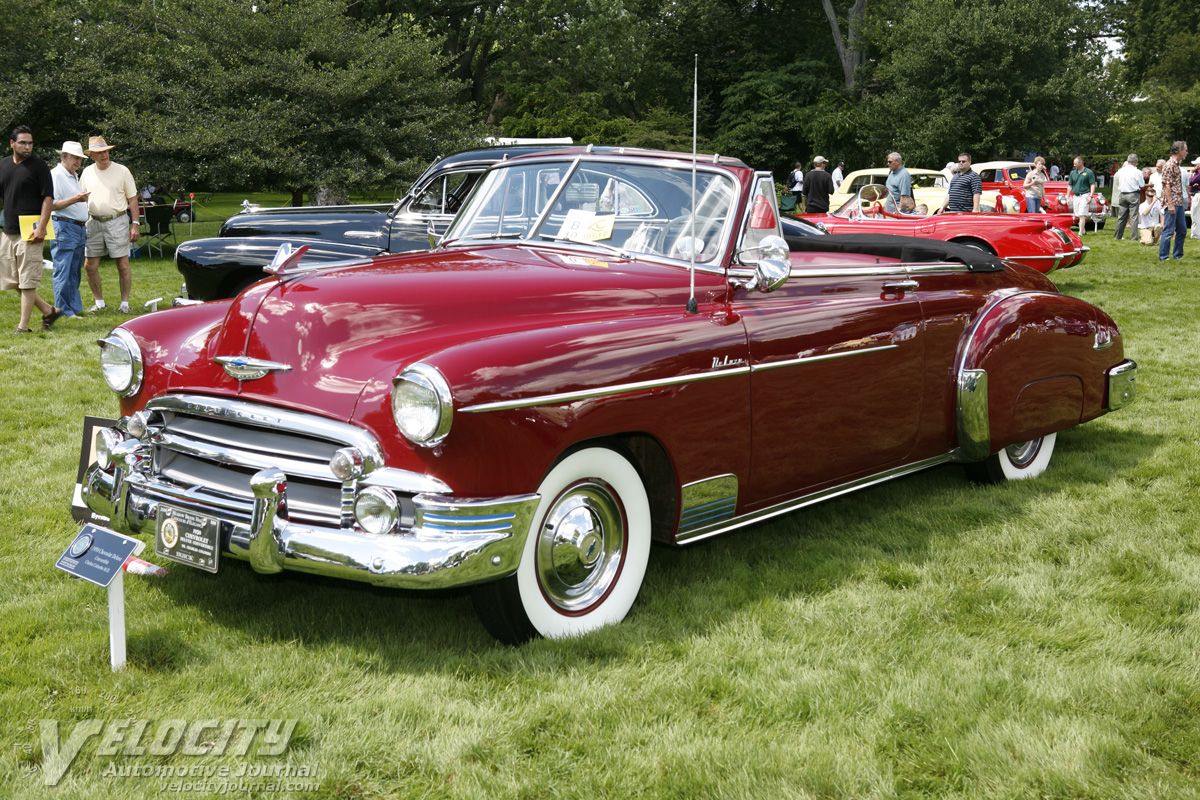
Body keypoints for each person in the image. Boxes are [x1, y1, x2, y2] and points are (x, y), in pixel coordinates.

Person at [0, 125, 64, 334]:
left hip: (31, 231)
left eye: (30, 143)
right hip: (8, 230)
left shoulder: (39, 166)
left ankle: (23, 327)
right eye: (23, 143)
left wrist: (42, 228)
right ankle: (48, 310)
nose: (28, 147)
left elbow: (48, 198)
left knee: (27, 281)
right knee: (13, 280)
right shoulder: (3, 165)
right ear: (12, 144)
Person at [79, 135, 139, 314]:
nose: (104, 155)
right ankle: (99, 302)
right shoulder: (87, 172)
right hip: (93, 222)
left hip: (117, 221)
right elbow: (81, 198)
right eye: (99, 152)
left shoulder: (122, 170)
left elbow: (133, 199)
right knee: (89, 265)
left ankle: (125, 303)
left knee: (122, 264)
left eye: (105, 151)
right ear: (92, 155)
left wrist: (135, 224)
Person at [49, 141, 91, 318]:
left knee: (74, 270)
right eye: (75, 158)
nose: (78, 162)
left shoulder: (73, 175)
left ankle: (73, 308)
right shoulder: (56, 175)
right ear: (64, 157)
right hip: (64, 226)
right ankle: (63, 310)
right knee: (64, 269)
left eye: (80, 159)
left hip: (78, 228)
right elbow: (52, 204)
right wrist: (76, 199)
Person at [1158, 141, 1189, 261]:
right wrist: (1170, 204)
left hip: (1179, 202)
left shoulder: (1176, 165)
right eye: (1185, 150)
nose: (1187, 152)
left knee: (1182, 230)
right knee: (1169, 230)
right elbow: (1166, 185)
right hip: (1172, 203)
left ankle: (1177, 255)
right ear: (1179, 151)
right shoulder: (1170, 165)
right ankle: (1164, 257)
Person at [1112, 154, 1145, 241]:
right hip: (1133, 194)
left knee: (1121, 217)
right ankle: (1134, 237)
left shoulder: (1120, 170)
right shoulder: (1137, 172)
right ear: (1136, 162)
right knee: (1133, 217)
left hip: (1122, 194)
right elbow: (1142, 184)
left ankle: (1117, 236)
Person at [1067, 156, 1098, 233]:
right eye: (1074, 163)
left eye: (1075, 163)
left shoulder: (1089, 172)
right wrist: (1067, 197)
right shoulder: (1073, 173)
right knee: (1077, 215)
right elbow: (1070, 186)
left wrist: (1091, 196)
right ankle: (1083, 230)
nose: (1074, 165)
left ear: (1081, 163)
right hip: (1075, 196)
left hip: (1084, 195)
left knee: (1082, 214)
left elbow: (1092, 185)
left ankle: (1080, 232)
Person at [1189, 156, 1200, 240]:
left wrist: (1191, 172)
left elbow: (1189, 181)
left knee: (1195, 215)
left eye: (1195, 165)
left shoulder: (1199, 173)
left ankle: (1195, 234)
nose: (1194, 166)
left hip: (1198, 195)